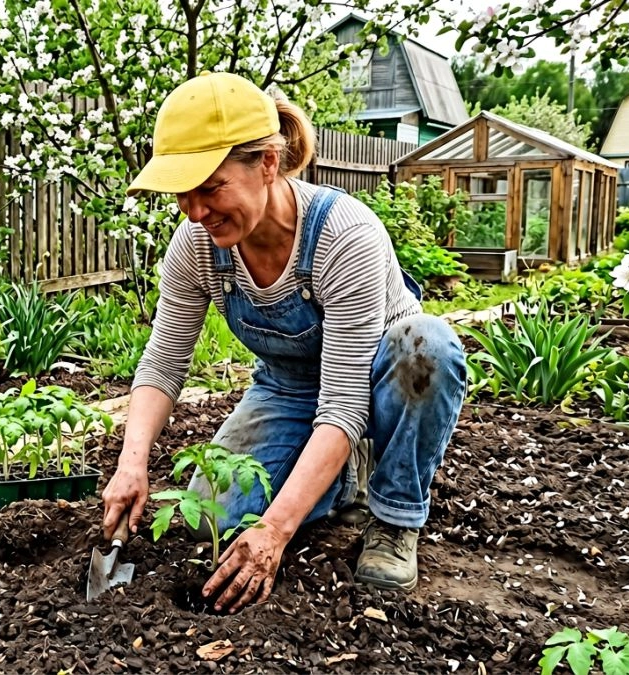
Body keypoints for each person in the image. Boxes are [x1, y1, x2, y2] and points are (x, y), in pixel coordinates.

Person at [100, 71, 467, 614]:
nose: (195, 210)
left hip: (376, 378)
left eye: (211, 186)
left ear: (267, 164)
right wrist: (132, 463)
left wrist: (275, 530)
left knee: (427, 347)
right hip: (288, 387)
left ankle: (393, 515)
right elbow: (163, 365)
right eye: (183, 192)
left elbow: (344, 403)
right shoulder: (197, 246)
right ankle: (343, 482)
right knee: (211, 516)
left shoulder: (343, 234)